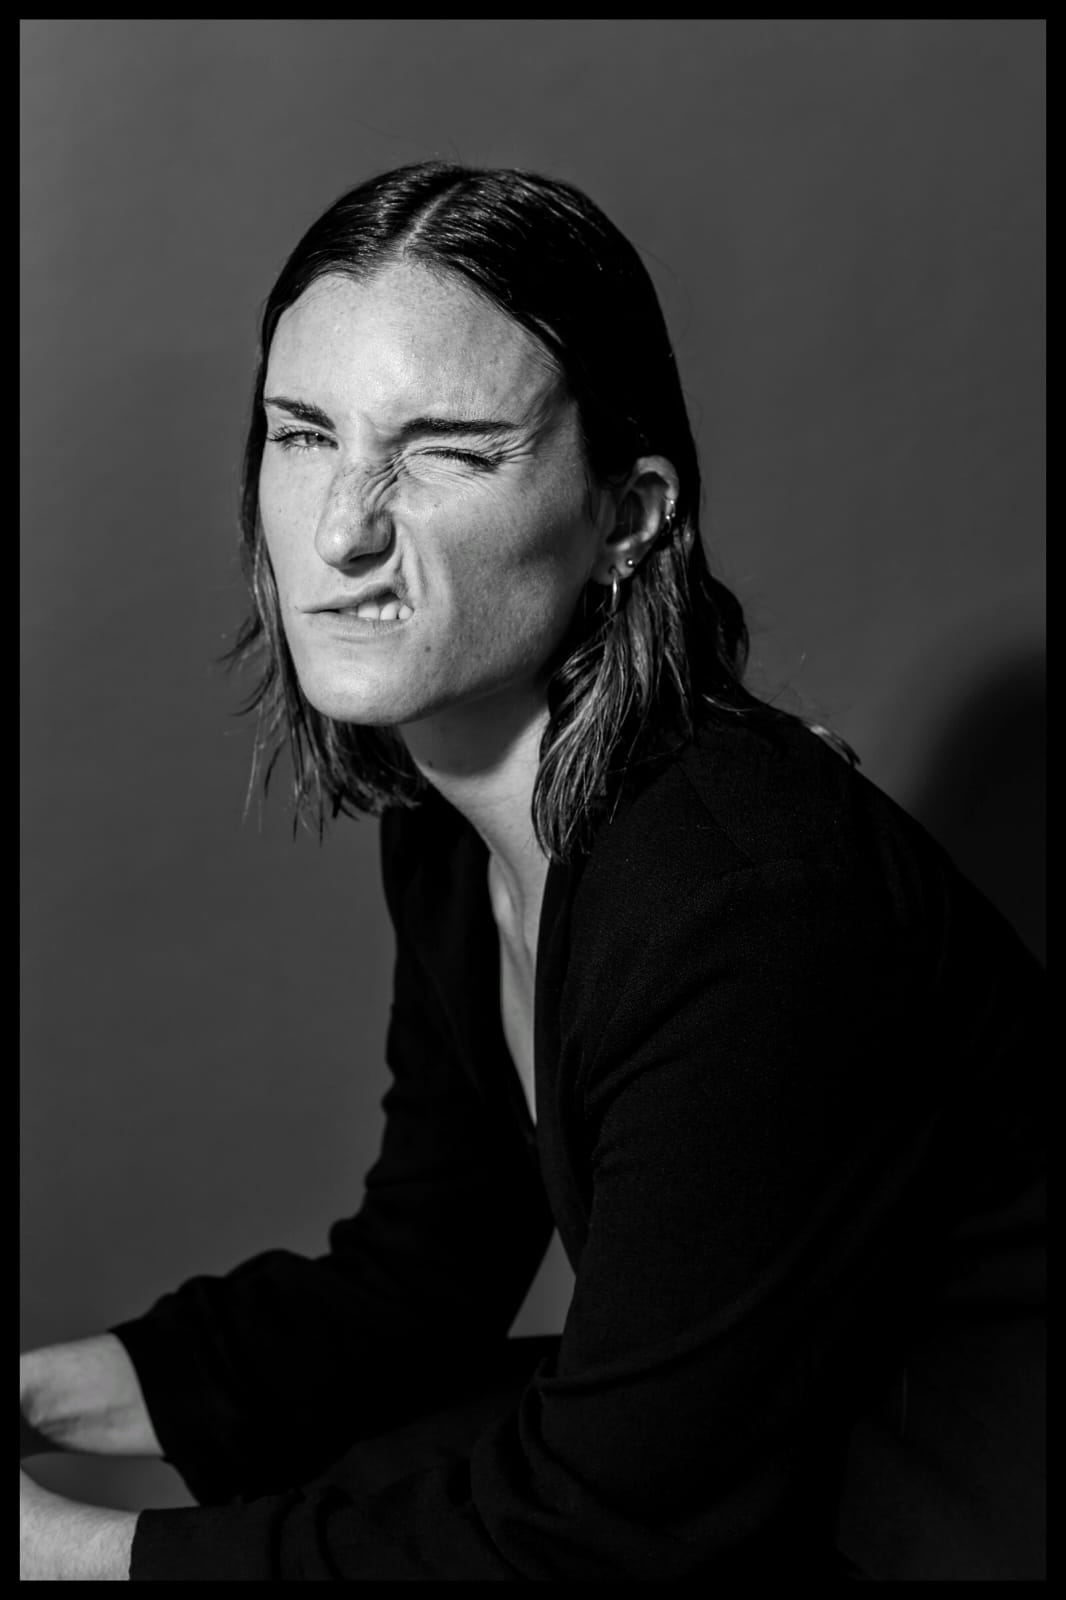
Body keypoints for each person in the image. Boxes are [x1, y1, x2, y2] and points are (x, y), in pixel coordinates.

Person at [20, 162, 1045, 1581]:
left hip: (959, 1521)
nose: (342, 530)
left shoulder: (746, 902)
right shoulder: (457, 824)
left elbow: (598, 1535)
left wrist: (67, 1553)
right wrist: (34, 1397)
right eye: (304, 433)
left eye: (446, 451)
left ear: (627, 516)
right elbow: (421, 1278)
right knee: (386, 1452)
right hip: (792, 1477)